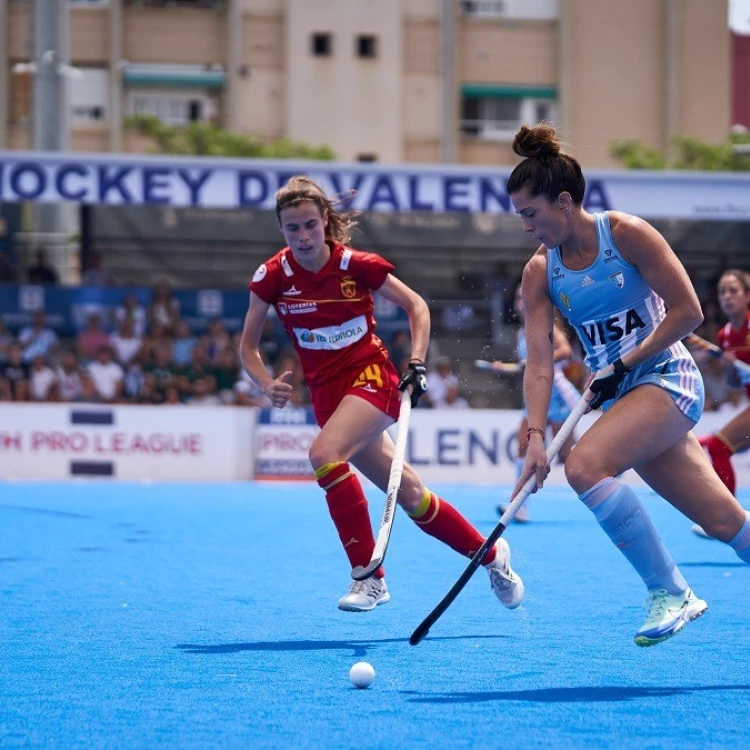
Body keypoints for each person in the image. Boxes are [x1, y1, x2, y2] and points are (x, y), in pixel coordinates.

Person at [506, 123, 750, 647]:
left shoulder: (627, 234)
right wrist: (533, 438)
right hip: (628, 395)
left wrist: (626, 361)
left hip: (668, 377)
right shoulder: (539, 272)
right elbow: (540, 366)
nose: (526, 226)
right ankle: (680, 586)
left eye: (531, 213)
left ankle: (671, 591)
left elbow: (688, 313)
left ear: (564, 202)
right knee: (727, 522)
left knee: (586, 465)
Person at [238, 175, 524, 613]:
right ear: (281, 230)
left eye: (310, 225)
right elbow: (248, 346)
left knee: (324, 455)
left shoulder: (357, 265)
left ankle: (368, 579)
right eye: (292, 228)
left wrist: (418, 361)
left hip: (370, 378)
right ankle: (491, 557)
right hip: (328, 396)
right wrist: (265, 383)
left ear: (326, 222)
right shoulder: (273, 276)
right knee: (411, 495)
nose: (303, 236)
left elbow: (417, 307)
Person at [496, 283, 580, 522]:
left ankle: (612, 464)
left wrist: (538, 361)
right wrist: (505, 368)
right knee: (524, 444)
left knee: (567, 455)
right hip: (536, 394)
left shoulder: (548, 326)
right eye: (517, 297)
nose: (521, 302)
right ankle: (519, 505)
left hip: (556, 392)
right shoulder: (520, 333)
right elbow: (526, 366)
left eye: (525, 297)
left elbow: (565, 352)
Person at [691, 269, 750, 537]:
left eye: (733, 291)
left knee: (717, 445)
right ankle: (732, 521)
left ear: (747, 296)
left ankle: (729, 521)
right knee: (719, 447)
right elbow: (735, 385)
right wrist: (728, 368)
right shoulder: (725, 335)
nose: (727, 296)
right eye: (722, 291)